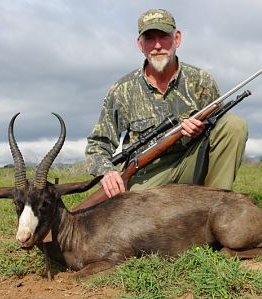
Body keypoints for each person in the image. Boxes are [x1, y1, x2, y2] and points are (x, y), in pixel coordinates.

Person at [85, 9, 248, 198]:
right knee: (135, 218)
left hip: (191, 163)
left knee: (234, 125)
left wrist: (201, 129)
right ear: (140, 44)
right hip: (146, 175)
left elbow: (218, 130)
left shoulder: (202, 82)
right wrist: (107, 172)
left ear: (177, 38)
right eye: (149, 38)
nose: (157, 45)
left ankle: (217, 205)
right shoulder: (122, 90)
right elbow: (97, 144)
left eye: (163, 36)